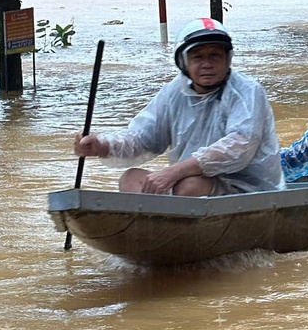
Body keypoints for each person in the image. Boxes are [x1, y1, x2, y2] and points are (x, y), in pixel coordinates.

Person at [73, 17, 285, 196]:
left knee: (189, 187)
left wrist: (175, 172)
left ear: (227, 59)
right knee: (130, 179)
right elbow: (141, 139)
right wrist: (101, 146)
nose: (207, 64)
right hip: (187, 181)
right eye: (198, 57)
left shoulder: (248, 91)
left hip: (246, 190)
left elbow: (239, 147)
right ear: (184, 62)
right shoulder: (174, 93)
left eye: (215, 56)